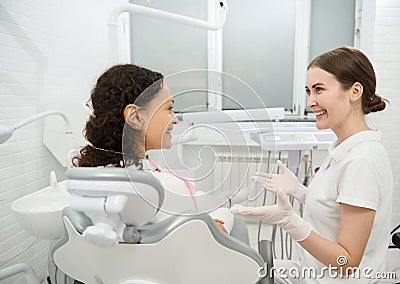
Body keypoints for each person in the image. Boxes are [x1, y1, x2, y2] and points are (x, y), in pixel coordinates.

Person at [230, 46, 393, 283]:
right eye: (308, 91)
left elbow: (346, 263)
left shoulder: (362, 160)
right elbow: (338, 211)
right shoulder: (343, 148)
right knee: (247, 269)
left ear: (355, 91)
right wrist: (300, 192)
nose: (310, 101)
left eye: (319, 90)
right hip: (313, 273)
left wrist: (291, 223)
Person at [73, 63, 233, 234]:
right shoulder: (165, 188)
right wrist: (212, 223)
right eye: (169, 108)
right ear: (136, 117)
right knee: (229, 214)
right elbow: (197, 241)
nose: (175, 119)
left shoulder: (89, 180)